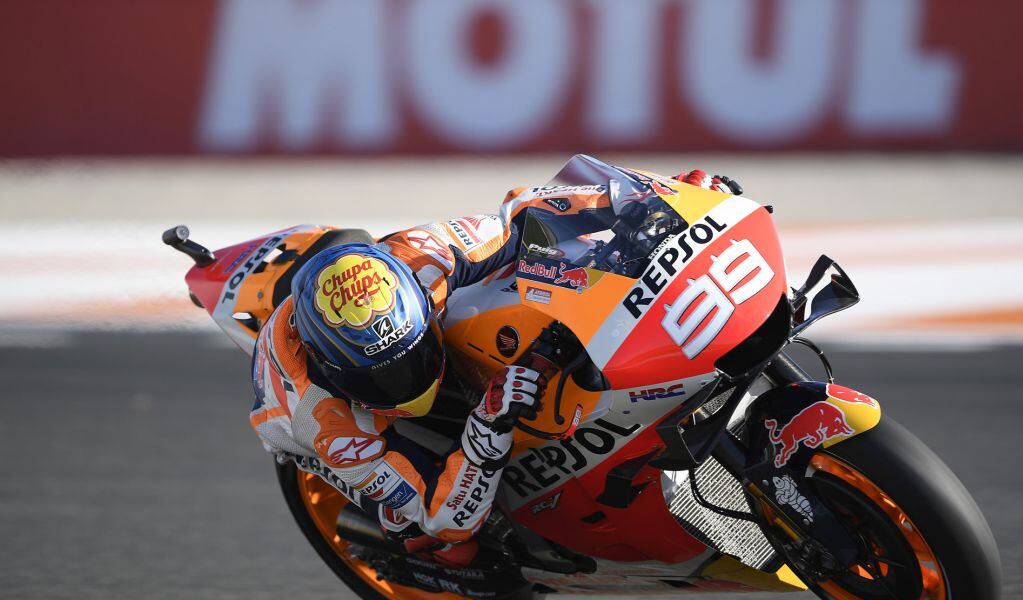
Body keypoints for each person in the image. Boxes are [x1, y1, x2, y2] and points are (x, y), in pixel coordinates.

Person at [248, 168, 737, 566]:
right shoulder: (320, 417)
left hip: (398, 303)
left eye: (412, 357)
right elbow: (444, 516)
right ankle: (403, 540)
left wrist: (658, 201)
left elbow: (526, 211)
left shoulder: (426, 258)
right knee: (432, 535)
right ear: (330, 366)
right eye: (379, 376)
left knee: (516, 284)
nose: (406, 384)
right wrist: (487, 424)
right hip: (308, 423)